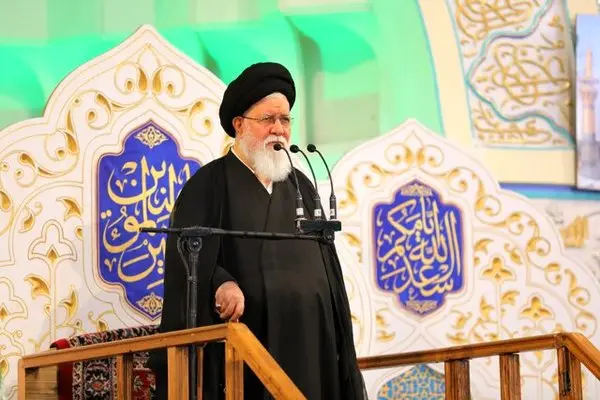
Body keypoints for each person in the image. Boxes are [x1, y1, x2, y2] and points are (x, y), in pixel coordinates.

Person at [149, 62, 366, 400]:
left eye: (285, 120)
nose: (278, 130)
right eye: (268, 119)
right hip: (246, 353)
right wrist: (221, 283)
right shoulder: (208, 185)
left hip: (311, 345)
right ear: (239, 125)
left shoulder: (302, 186)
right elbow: (187, 259)